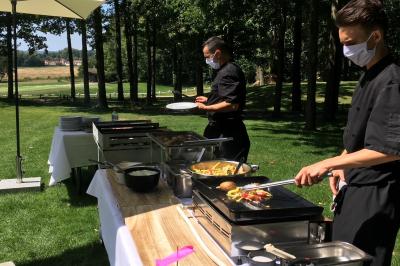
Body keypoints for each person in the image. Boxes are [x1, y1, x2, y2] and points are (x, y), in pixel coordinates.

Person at [294, 1, 400, 265]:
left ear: (376, 36)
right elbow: (361, 136)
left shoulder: (392, 81)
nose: (346, 50)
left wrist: (327, 163)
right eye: (342, 42)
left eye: (350, 42)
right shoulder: (368, 75)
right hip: (354, 183)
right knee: (341, 253)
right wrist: (342, 164)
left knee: (359, 259)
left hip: (377, 191)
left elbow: (387, 149)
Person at [196, 36, 250, 161]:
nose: (207, 60)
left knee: (227, 174)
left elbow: (232, 104)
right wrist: (209, 99)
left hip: (229, 135)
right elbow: (226, 96)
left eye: (207, 56)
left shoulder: (229, 71)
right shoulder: (224, 70)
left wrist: (206, 107)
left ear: (218, 53)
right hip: (220, 130)